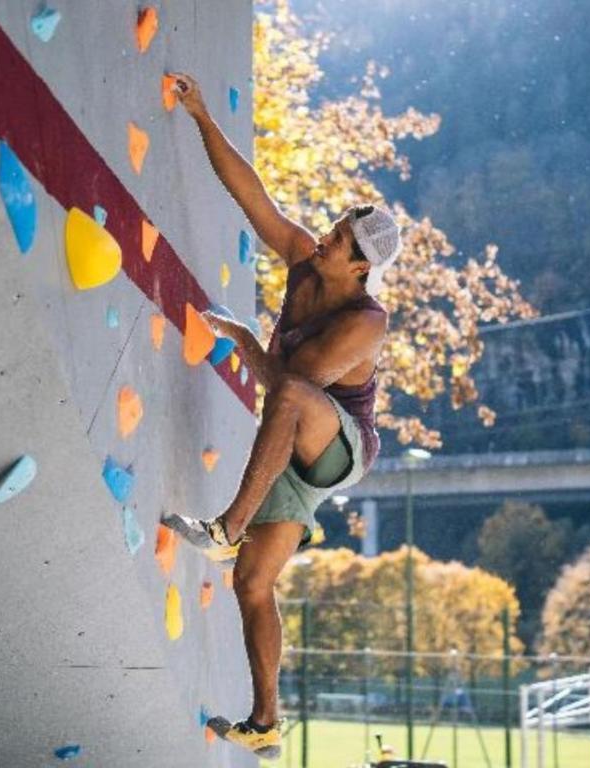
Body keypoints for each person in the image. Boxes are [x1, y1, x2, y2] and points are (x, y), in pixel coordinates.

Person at [161, 72, 401, 759]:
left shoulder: (364, 322)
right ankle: (267, 724)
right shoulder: (304, 262)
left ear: (360, 271)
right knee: (252, 583)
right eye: (328, 233)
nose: (321, 243)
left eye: (336, 246)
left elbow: (285, 386)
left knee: (292, 395)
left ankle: (226, 526)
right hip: (293, 436)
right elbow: (251, 195)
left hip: (340, 444)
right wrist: (203, 113)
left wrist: (239, 336)